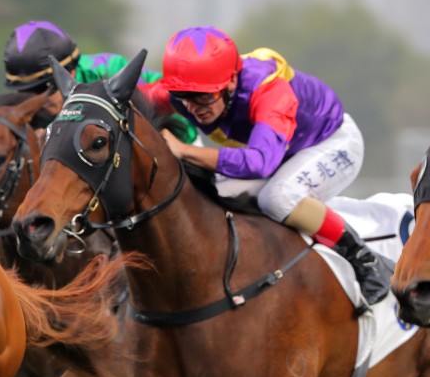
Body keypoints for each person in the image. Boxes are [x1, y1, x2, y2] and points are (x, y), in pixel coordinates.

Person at [147, 25, 388, 306]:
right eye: (183, 96)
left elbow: (261, 163)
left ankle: (365, 260)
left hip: (330, 142)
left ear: (232, 82)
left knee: (277, 198)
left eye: (204, 96)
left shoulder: (270, 92)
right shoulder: (181, 95)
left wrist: (184, 151)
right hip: (278, 151)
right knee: (210, 194)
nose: (192, 107)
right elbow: (130, 95)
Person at [2, 20, 199, 143]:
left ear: (70, 72)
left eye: (44, 87)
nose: (39, 99)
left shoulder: (110, 70)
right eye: (29, 91)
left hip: (176, 134)